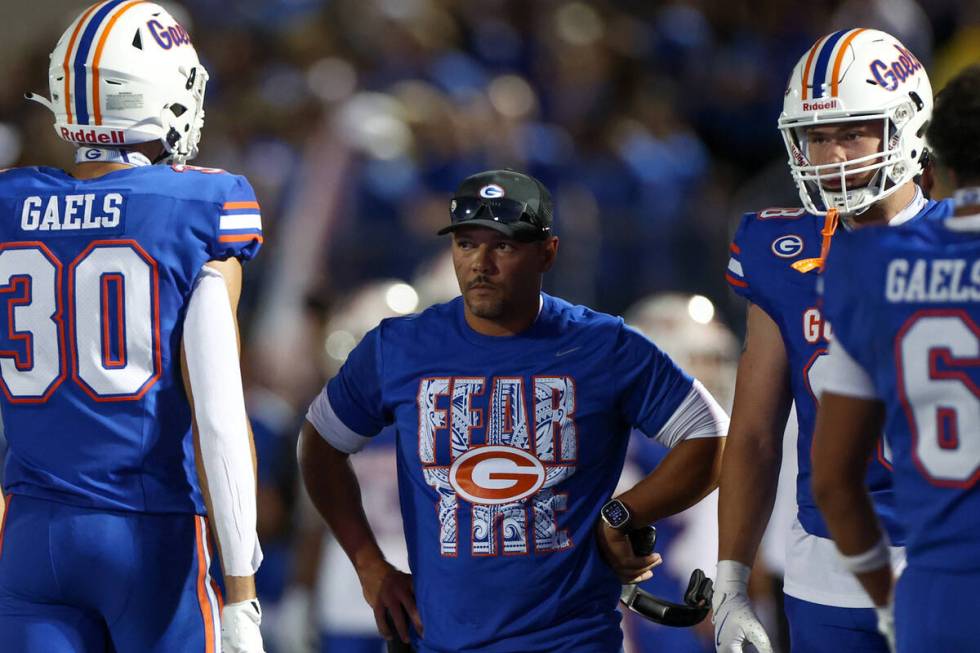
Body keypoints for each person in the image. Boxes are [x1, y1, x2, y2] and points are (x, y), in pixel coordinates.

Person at [298, 169, 729, 652]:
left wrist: (620, 515)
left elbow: (711, 434)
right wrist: (369, 565)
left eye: (503, 246)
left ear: (547, 251)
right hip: (444, 642)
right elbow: (319, 440)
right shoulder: (397, 346)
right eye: (466, 244)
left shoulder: (601, 344)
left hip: (571, 641)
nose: (480, 263)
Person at [0, 3, 265, 651]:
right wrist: (241, 593)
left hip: (31, 536)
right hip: (150, 536)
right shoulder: (200, 204)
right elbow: (221, 416)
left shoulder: (10, 203)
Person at [714, 28, 943, 653]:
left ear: (907, 127)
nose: (833, 156)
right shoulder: (777, 249)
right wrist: (730, 579)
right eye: (817, 136)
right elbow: (756, 432)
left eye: (851, 132)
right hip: (826, 571)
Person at [812, 64, 980, 653]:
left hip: (937, 596)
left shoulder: (871, 266)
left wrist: (888, 602)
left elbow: (832, 481)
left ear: (941, 160)